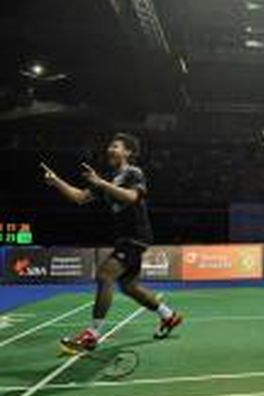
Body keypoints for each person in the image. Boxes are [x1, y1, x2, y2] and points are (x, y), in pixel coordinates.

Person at [41, 133, 183, 351]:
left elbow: (131, 197)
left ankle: (92, 333)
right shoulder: (107, 177)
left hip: (136, 235)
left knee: (105, 275)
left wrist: (101, 183)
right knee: (128, 286)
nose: (110, 149)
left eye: (115, 146)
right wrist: (56, 181)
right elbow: (79, 197)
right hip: (124, 237)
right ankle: (169, 316)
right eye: (109, 145)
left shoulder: (133, 172)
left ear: (128, 152)